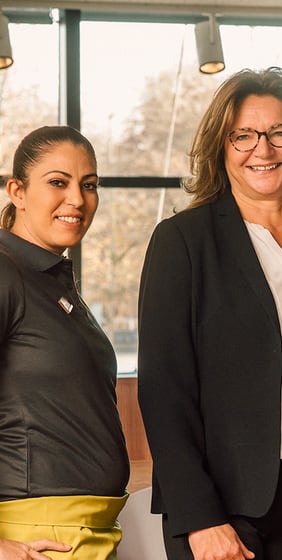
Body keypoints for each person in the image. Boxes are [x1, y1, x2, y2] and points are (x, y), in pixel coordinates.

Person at [137, 67, 282, 560]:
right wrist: (200, 518)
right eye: (243, 135)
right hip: (223, 509)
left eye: (279, 133)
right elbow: (164, 393)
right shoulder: (184, 242)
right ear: (221, 147)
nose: (262, 149)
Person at [0, 126, 130, 560]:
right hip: (37, 536)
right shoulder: (4, 271)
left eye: (89, 185)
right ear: (17, 191)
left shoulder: (51, 279)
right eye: (58, 182)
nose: (77, 198)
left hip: (89, 533)